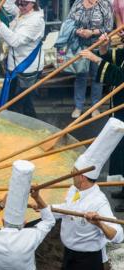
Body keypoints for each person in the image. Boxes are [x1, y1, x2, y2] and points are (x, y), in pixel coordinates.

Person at [52, 117, 124, 270]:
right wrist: (43, 206)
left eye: (73, 172)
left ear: (82, 177)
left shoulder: (98, 201)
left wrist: (99, 223)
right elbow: (67, 208)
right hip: (69, 254)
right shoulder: (74, 190)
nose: (71, 174)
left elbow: (118, 235)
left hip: (87, 261)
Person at [0, 160, 55, 270]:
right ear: (24, 223)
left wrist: (1, 205)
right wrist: (37, 197)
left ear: (3, 221)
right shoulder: (31, 236)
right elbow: (49, 221)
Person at [80, 34, 124, 211]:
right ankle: (123, 187)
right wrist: (104, 49)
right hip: (120, 106)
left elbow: (120, 75)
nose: (121, 34)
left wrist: (96, 59)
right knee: (120, 148)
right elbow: (116, 60)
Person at [0, 0, 45, 118]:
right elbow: (7, 4)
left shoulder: (36, 21)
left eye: (24, 4)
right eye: (19, 3)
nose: (20, 6)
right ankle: (34, 127)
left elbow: (15, 41)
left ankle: (22, 129)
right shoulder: (22, 12)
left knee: (16, 104)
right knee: (23, 103)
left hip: (26, 68)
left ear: (33, 3)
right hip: (16, 65)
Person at [66, 0, 112, 118]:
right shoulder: (78, 3)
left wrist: (91, 32)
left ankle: (95, 107)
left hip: (99, 46)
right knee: (81, 75)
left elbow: (109, 27)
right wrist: (78, 31)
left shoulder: (104, 4)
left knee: (97, 76)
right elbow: (68, 23)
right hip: (81, 45)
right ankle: (78, 106)